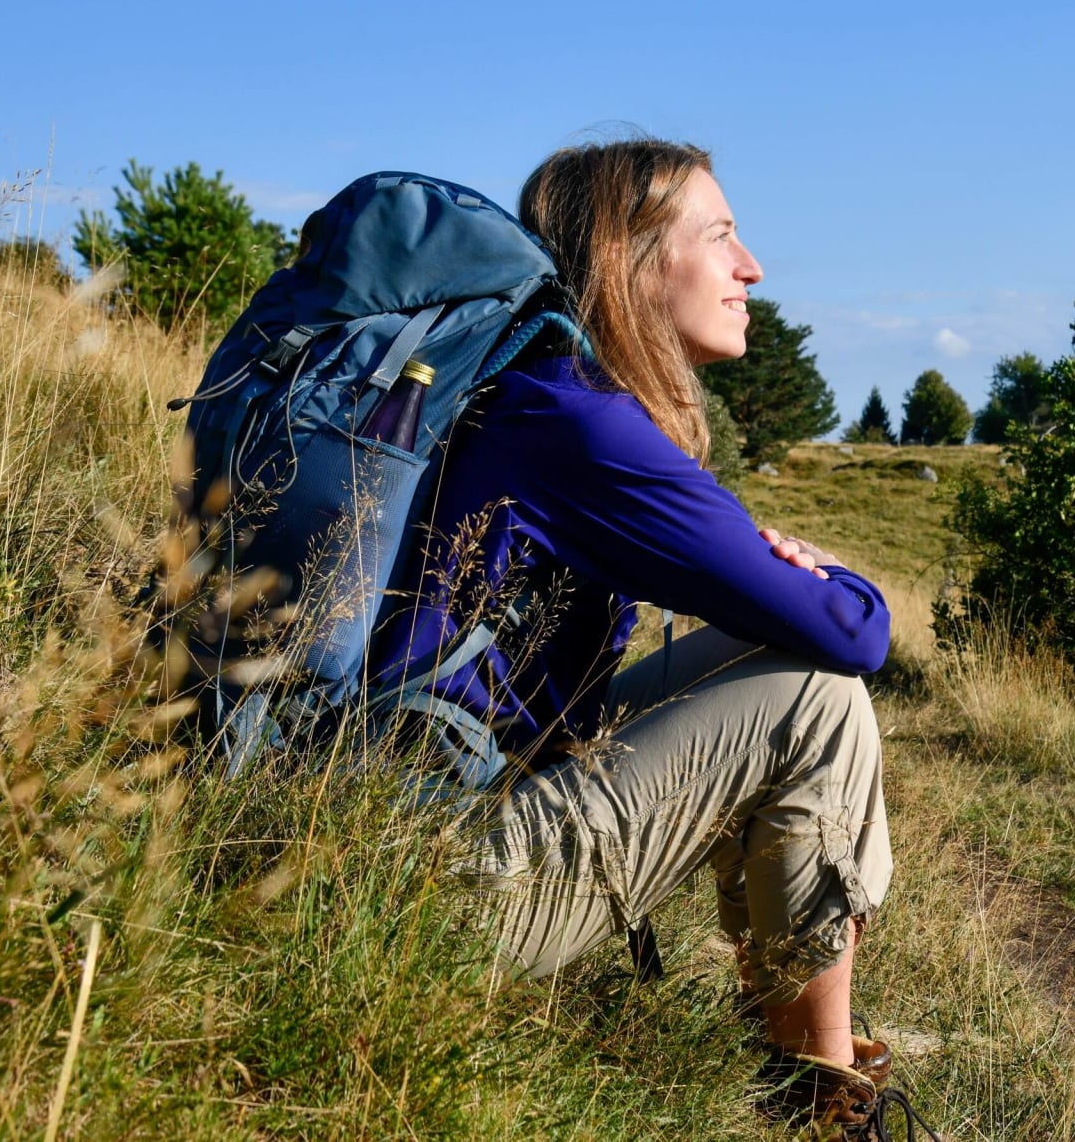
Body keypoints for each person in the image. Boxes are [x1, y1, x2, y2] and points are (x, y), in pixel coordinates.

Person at [372, 138, 929, 1135]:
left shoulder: (530, 393)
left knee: (774, 670)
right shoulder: (580, 423)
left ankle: (807, 1065)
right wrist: (838, 578)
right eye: (719, 237)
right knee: (815, 695)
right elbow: (852, 634)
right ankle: (817, 1100)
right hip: (430, 896)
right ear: (625, 264)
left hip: (389, 843)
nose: (751, 267)